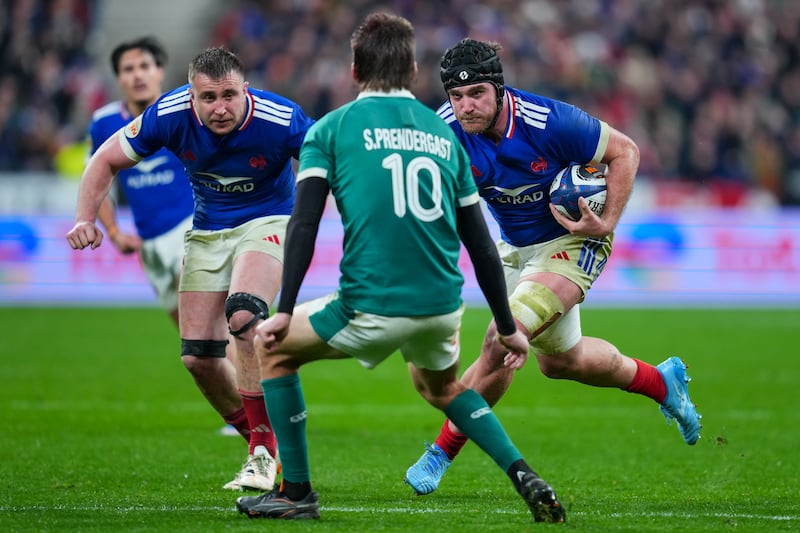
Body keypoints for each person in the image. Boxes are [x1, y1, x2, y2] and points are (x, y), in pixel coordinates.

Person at [234, 13, 566, 524]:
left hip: (371, 301)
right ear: (412, 69)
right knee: (443, 389)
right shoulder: (444, 133)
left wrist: (281, 311)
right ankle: (525, 474)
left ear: (353, 69)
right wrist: (505, 325)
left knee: (271, 351)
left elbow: (303, 225)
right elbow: (479, 240)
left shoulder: (331, 129)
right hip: (441, 306)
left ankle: (296, 492)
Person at [404, 38, 702, 496]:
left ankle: (441, 451)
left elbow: (626, 152)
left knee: (503, 338)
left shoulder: (550, 121)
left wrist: (606, 224)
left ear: (500, 90)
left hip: (573, 243)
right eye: (457, 97)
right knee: (564, 362)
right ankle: (661, 382)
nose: (466, 106)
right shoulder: (443, 133)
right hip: (515, 249)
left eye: (477, 93)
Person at [66, 46, 315, 491]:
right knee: (197, 358)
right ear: (191, 95)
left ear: (246, 89)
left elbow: (327, 164)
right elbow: (103, 159)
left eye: (229, 96)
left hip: (269, 221)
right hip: (207, 230)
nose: (220, 108)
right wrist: (85, 218)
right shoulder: (168, 112)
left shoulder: (281, 118)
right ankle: (265, 449)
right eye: (208, 98)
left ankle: (261, 452)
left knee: (243, 314)